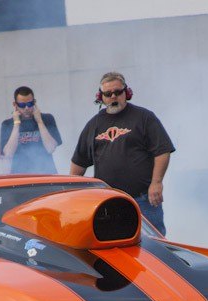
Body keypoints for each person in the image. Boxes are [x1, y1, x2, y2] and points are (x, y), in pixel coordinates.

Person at [69, 72, 174, 235]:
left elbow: (162, 151)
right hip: (108, 203)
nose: (113, 96)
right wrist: (72, 193)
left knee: (153, 243)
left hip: (143, 199)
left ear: (127, 93)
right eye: (108, 94)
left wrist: (156, 183)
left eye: (118, 92)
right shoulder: (94, 124)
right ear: (101, 97)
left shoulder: (144, 117)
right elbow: (79, 163)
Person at [0, 86, 62, 174]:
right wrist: (16, 124)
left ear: (34, 102)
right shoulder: (7, 124)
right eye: (22, 105)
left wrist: (40, 121)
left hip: (46, 174)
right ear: (15, 104)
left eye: (30, 104)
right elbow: (8, 154)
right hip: (19, 175)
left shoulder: (47, 119)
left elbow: (50, 148)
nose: (26, 108)